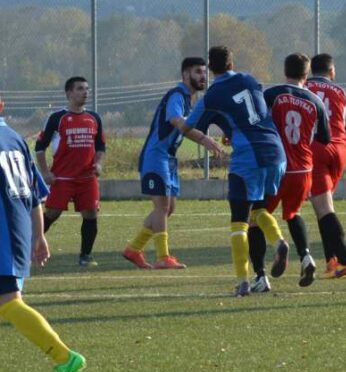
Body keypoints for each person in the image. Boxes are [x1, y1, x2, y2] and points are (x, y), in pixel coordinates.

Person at [178, 46, 288, 296]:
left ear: (211, 67)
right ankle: (279, 241)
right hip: (275, 151)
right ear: (231, 63)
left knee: (239, 221)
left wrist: (185, 125)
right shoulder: (250, 79)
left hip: (248, 156)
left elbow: (187, 127)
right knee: (259, 209)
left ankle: (243, 281)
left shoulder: (212, 95)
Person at [0, 96, 87, 372]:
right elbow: (36, 195)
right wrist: (38, 235)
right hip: (18, 231)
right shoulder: (15, 139)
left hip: (3, 236)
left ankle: (65, 358)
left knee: (9, 302)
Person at [122, 57, 209, 270]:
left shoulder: (188, 99)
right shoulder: (177, 95)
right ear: (185, 75)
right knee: (162, 207)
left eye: (204, 72)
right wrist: (204, 139)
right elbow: (176, 120)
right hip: (156, 156)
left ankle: (134, 249)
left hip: (168, 158)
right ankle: (163, 257)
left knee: (168, 209)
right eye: (198, 72)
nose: (203, 76)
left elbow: (183, 127)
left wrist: (205, 138)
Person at [262, 53, 331, 287]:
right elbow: (325, 137)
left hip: (277, 167)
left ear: (285, 70)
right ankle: (306, 257)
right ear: (306, 74)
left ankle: (261, 274)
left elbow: (258, 123)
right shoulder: (315, 101)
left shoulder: (271, 95)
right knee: (293, 213)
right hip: (303, 169)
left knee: (257, 217)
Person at [35, 77, 106, 267]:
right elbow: (40, 148)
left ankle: (86, 256)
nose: (85, 92)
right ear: (69, 93)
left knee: (91, 214)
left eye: (87, 89)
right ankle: (26, 247)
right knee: (53, 213)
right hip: (62, 178)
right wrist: (45, 173)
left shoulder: (94, 118)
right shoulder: (57, 118)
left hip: (87, 178)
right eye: (80, 89)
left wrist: (99, 164)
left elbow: (101, 147)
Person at [306, 53, 346, 279]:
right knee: (323, 207)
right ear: (331, 71)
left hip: (315, 149)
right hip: (339, 150)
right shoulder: (344, 93)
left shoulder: (302, 88)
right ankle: (332, 261)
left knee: (324, 209)